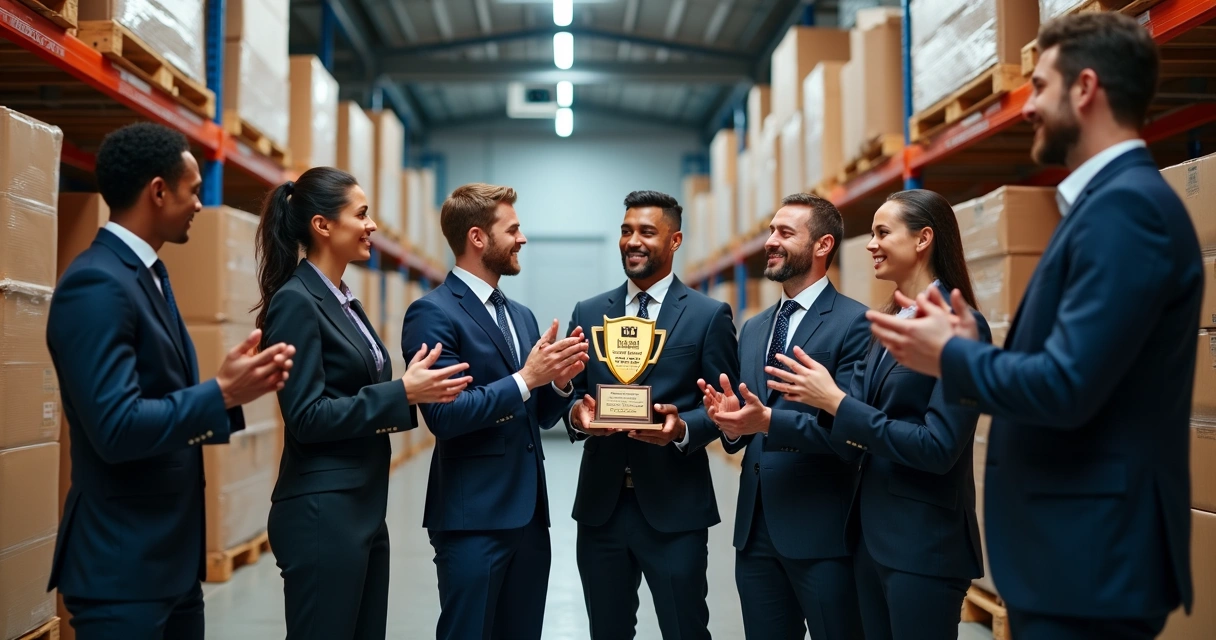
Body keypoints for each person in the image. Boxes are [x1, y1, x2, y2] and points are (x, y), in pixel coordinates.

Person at [867, 13, 1201, 639]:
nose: (1027, 106)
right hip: (1076, 556)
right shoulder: (1106, 208)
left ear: (1086, 89)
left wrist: (954, 357)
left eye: (1041, 86)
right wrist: (964, 348)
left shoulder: (1125, 211)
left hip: (1091, 558)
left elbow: (1067, 385)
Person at [45, 122, 295, 639]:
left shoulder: (148, 276)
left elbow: (156, 400)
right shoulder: (96, 284)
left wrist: (227, 391)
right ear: (159, 191)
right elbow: (114, 427)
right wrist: (222, 392)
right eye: (195, 191)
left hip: (169, 564)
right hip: (122, 571)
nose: (201, 205)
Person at [254, 167, 472, 640]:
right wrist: (404, 392)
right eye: (362, 214)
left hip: (361, 507)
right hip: (321, 512)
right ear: (323, 225)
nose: (372, 225)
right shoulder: (298, 301)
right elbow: (306, 416)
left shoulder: (342, 301)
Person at [764, 190, 991, 640]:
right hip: (869, 541)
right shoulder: (886, 323)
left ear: (924, 238)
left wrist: (834, 402)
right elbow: (854, 430)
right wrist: (817, 407)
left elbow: (938, 447)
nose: (870, 244)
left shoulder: (960, 326)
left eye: (882, 232)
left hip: (924, 546)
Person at [401, 182, 589, 640]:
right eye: (514, 229)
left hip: (528, 518)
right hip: (473, 520)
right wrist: (527, 377)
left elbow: (536, 413)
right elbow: (445, 417)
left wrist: (558, 383)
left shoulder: (520, 315)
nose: (522, 239)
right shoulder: (432, 313)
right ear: (477, 238)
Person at [564, 190, 739, 640]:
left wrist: (683, 429)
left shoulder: (707, 316)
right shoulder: (588, 312)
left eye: (646, 231)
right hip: (601, 509)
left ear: (675, 240)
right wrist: (576, 416)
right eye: (625, 231)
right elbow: (571, 396)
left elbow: (724, 408)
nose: (632, 241)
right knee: (607, 631)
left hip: (674, 509)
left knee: (684, 630)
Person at [696, 193, 868, 640]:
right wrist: (731, 422)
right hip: (755, 534)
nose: (770, 241)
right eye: (771, 230)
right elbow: (747, 426)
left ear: (823, 245)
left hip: (822, 532)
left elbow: (850, 432)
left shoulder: (855, 323)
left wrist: (768, 422)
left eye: (785, 233)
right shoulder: (754, 328)